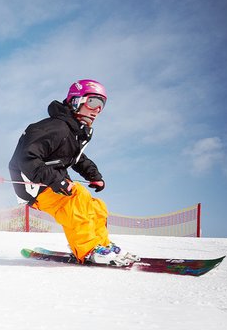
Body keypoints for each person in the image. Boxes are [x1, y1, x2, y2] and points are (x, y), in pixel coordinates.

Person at [8, 79, 133, 265]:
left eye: (102, 105)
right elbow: (27, 158)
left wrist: (94, 175)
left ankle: (102, 244)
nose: (98, 109)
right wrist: (56, 180)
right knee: (74, 203)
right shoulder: (54, 127)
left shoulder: (73, 131)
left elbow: (76, 157)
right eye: (93, 102)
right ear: (76, 100)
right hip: (32, 184)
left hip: (51, 180)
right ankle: (88, 249)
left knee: (94, 204)